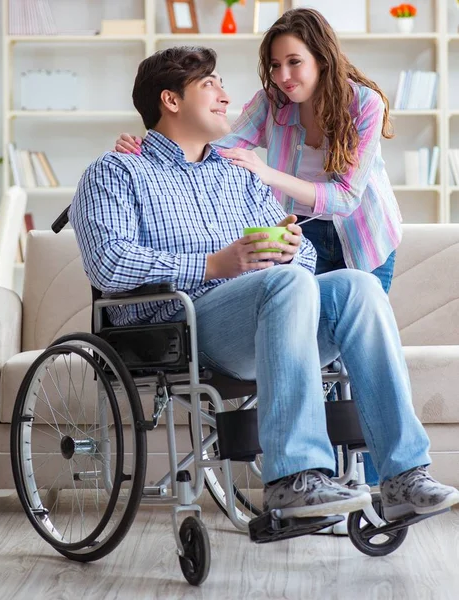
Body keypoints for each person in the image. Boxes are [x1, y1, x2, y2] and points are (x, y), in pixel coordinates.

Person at [70, 45, 459, 524]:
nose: (224, 93)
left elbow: (307, 257)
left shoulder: (240, 174)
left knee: (357, 286)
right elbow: (110, 264)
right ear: (170, 100)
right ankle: (296, 479)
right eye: (209, 83)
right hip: (185, 328)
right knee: (286, 284)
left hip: (275, 317)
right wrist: (214, 265)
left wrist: (294, 248)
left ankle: (402, 477)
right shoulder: (116, 172)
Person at [114, 8, 400, 489]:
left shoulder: (364, 104)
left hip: (359, 234)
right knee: (304, 329)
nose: (283, 77)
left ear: (323, 59)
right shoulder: (272, 102)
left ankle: (381, 484)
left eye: (294, 63)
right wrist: (148, 145)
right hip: (294, 233)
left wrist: (266, 175)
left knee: (355, 338)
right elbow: (219, 144)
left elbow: (346, 198)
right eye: (274, 65)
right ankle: (311, 479)